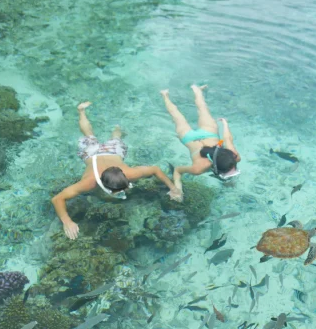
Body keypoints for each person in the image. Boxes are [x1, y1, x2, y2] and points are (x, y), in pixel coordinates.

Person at [51, 102, 182, 240]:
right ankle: (115, 126)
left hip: (102, 152)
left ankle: (82, 111)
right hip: (96, 153)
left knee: (89, 134)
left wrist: (173, 188)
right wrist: (67, 222)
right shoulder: (89, 183)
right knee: (115, 138)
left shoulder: (129, 173)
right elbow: (57, 199)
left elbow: (155, 169)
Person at [160, 85, 241, 195]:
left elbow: (227, 139)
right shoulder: (198, 168)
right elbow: (177, 170)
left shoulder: (234, 156)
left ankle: (195, 90)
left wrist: (225, 124)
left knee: (202, 108)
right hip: (188, 138)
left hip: (209, 133)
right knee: (176, 115)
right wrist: (178, 189)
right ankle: (165, 95)